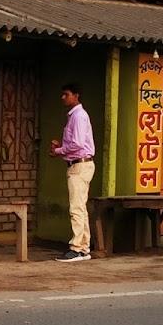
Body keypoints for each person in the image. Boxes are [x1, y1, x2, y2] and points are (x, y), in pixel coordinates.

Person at [50, 82, 96, 262]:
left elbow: (76, 143)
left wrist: (59, 151)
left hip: (79, 165)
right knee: (81, 208)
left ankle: (76, 248)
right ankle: (84, 247)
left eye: (66, 94)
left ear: (76, 95)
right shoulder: (76, 116)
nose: (63, 97)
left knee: (76, 208)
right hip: (80, 164)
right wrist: (61, 150)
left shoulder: (78, 116)